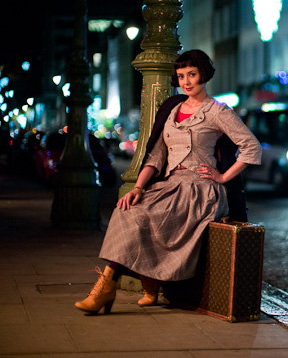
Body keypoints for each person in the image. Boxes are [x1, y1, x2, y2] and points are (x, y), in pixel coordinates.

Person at [74, 49, 262, 314]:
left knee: (150, 218)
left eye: (192, 75)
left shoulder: (218, 111)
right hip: (171, 184)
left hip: (201, 191)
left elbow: (252, 147)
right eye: (181, 75)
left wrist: (222, 176)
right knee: (127, 210)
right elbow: (157, 155)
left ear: (204, 75)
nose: (186, 81)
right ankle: (130, 284)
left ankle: (107, 289)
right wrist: (138, 188)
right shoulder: (172, 109)